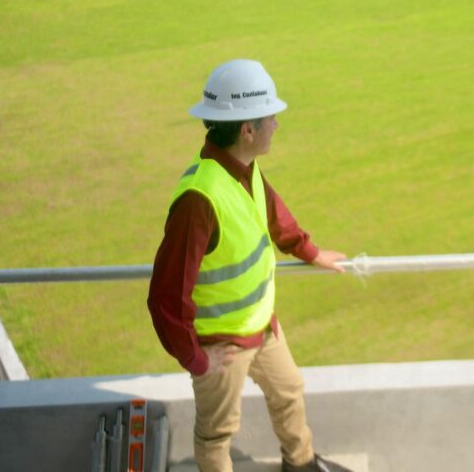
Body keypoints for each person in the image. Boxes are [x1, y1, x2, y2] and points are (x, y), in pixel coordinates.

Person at [147, 59, 353, 472]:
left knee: (289, 389)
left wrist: (312, 252)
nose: (276, 125)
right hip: (220, 344)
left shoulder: (245, 171)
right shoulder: (198, 200)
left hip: (261, 327)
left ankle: (300, 465)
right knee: (218, 433)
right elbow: (166, 298)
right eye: (270, 118)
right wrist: (197, 360)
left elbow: (274, 216)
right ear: (247, 129)